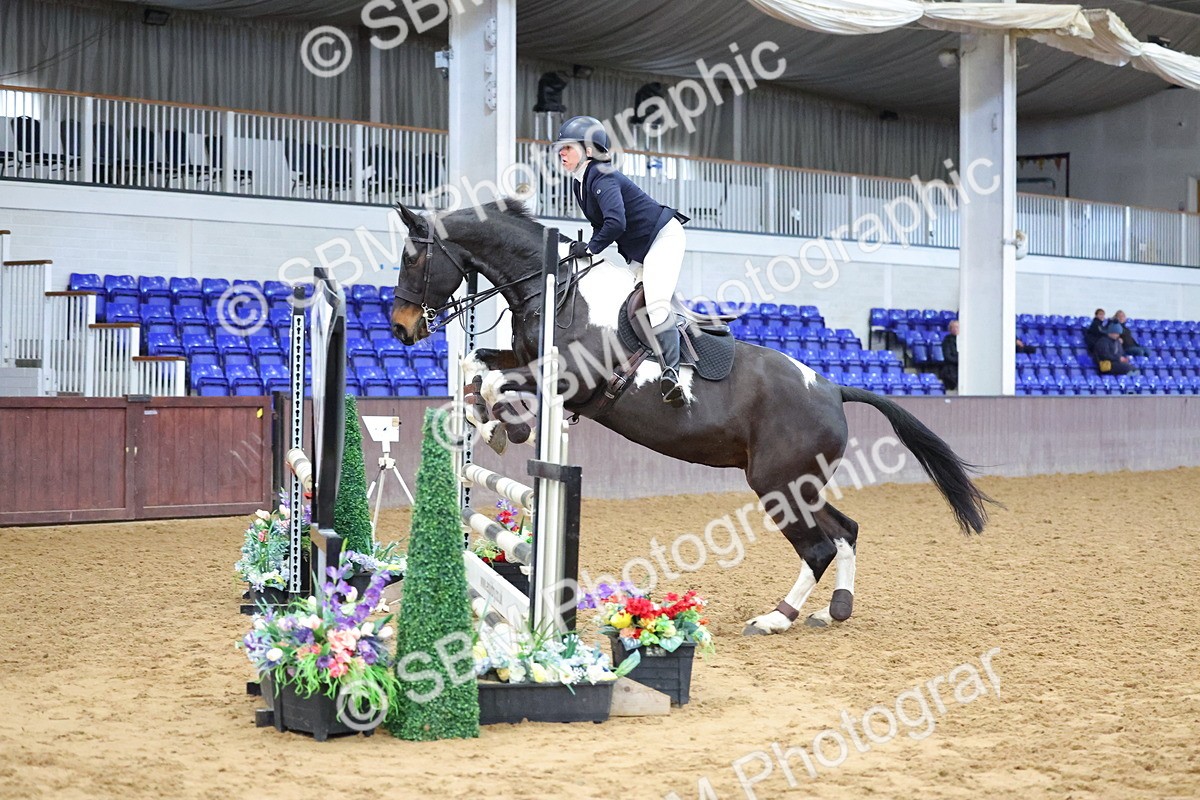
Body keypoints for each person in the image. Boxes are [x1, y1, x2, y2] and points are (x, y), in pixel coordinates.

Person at [554, 115, 690, 403]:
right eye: (560, 148)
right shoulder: (581, 184)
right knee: (630, 305)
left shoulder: (601, 174)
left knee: (654, 304)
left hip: (663, 238)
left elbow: (615, 223)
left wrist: (590, 249)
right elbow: (600, 223)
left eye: (567, 147)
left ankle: (673, 374)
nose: (560, 153)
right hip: (639, 250)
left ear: (589, 150)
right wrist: (587, 248)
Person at [940, 319, 959, 391]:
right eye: (953, 327)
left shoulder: (964, 340)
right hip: (951, 370)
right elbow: (947, 356)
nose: (955, 329)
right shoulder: (947, 340)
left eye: (957, 327)